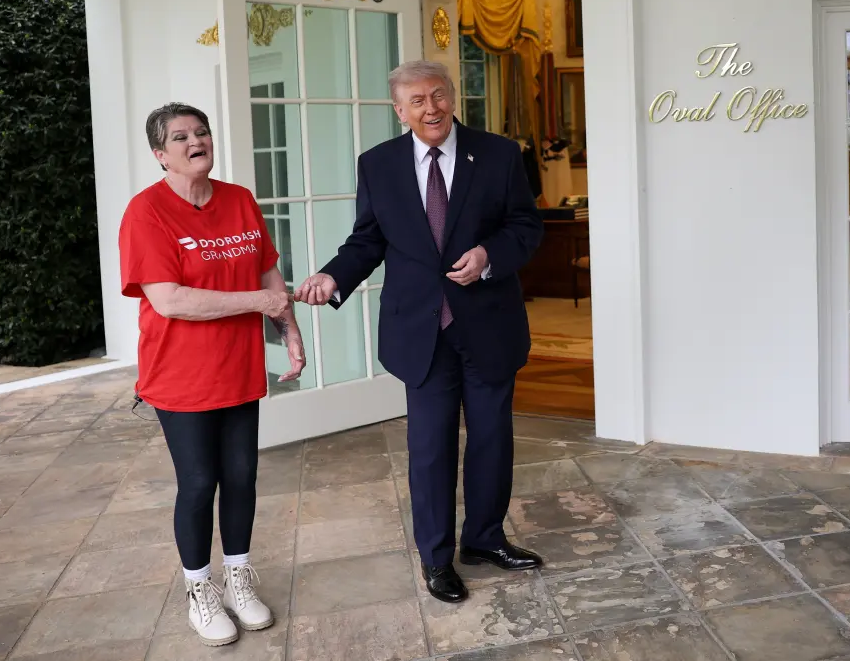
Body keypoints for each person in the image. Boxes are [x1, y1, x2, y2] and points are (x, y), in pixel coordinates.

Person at [295, 61, 545, 603]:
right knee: (430, 449)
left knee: (491, 441)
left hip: (489, 325)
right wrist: (332, 276)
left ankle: (484, 540)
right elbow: (367, 240)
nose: (430, 108)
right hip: (420, 332)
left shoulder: (499, 154)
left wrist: (488, 256)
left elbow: (526, 226)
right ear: (399, 109)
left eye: (438, 95)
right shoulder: (378, 165)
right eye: (416, 100)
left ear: (452, 97)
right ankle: (436, 559)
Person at [118, 103, 306, 646]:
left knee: (242, 476)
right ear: (160, 155)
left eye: (201, 132)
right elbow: (171, 300)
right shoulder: (146, 213)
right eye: (180, 137)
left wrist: (288, 329)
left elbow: (267, 266)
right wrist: (263, 301)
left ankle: (239, 579)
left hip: (240, 365)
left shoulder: (239, 200)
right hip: (179, 375)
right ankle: (200, 588)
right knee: (200, 483)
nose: (195, 141)